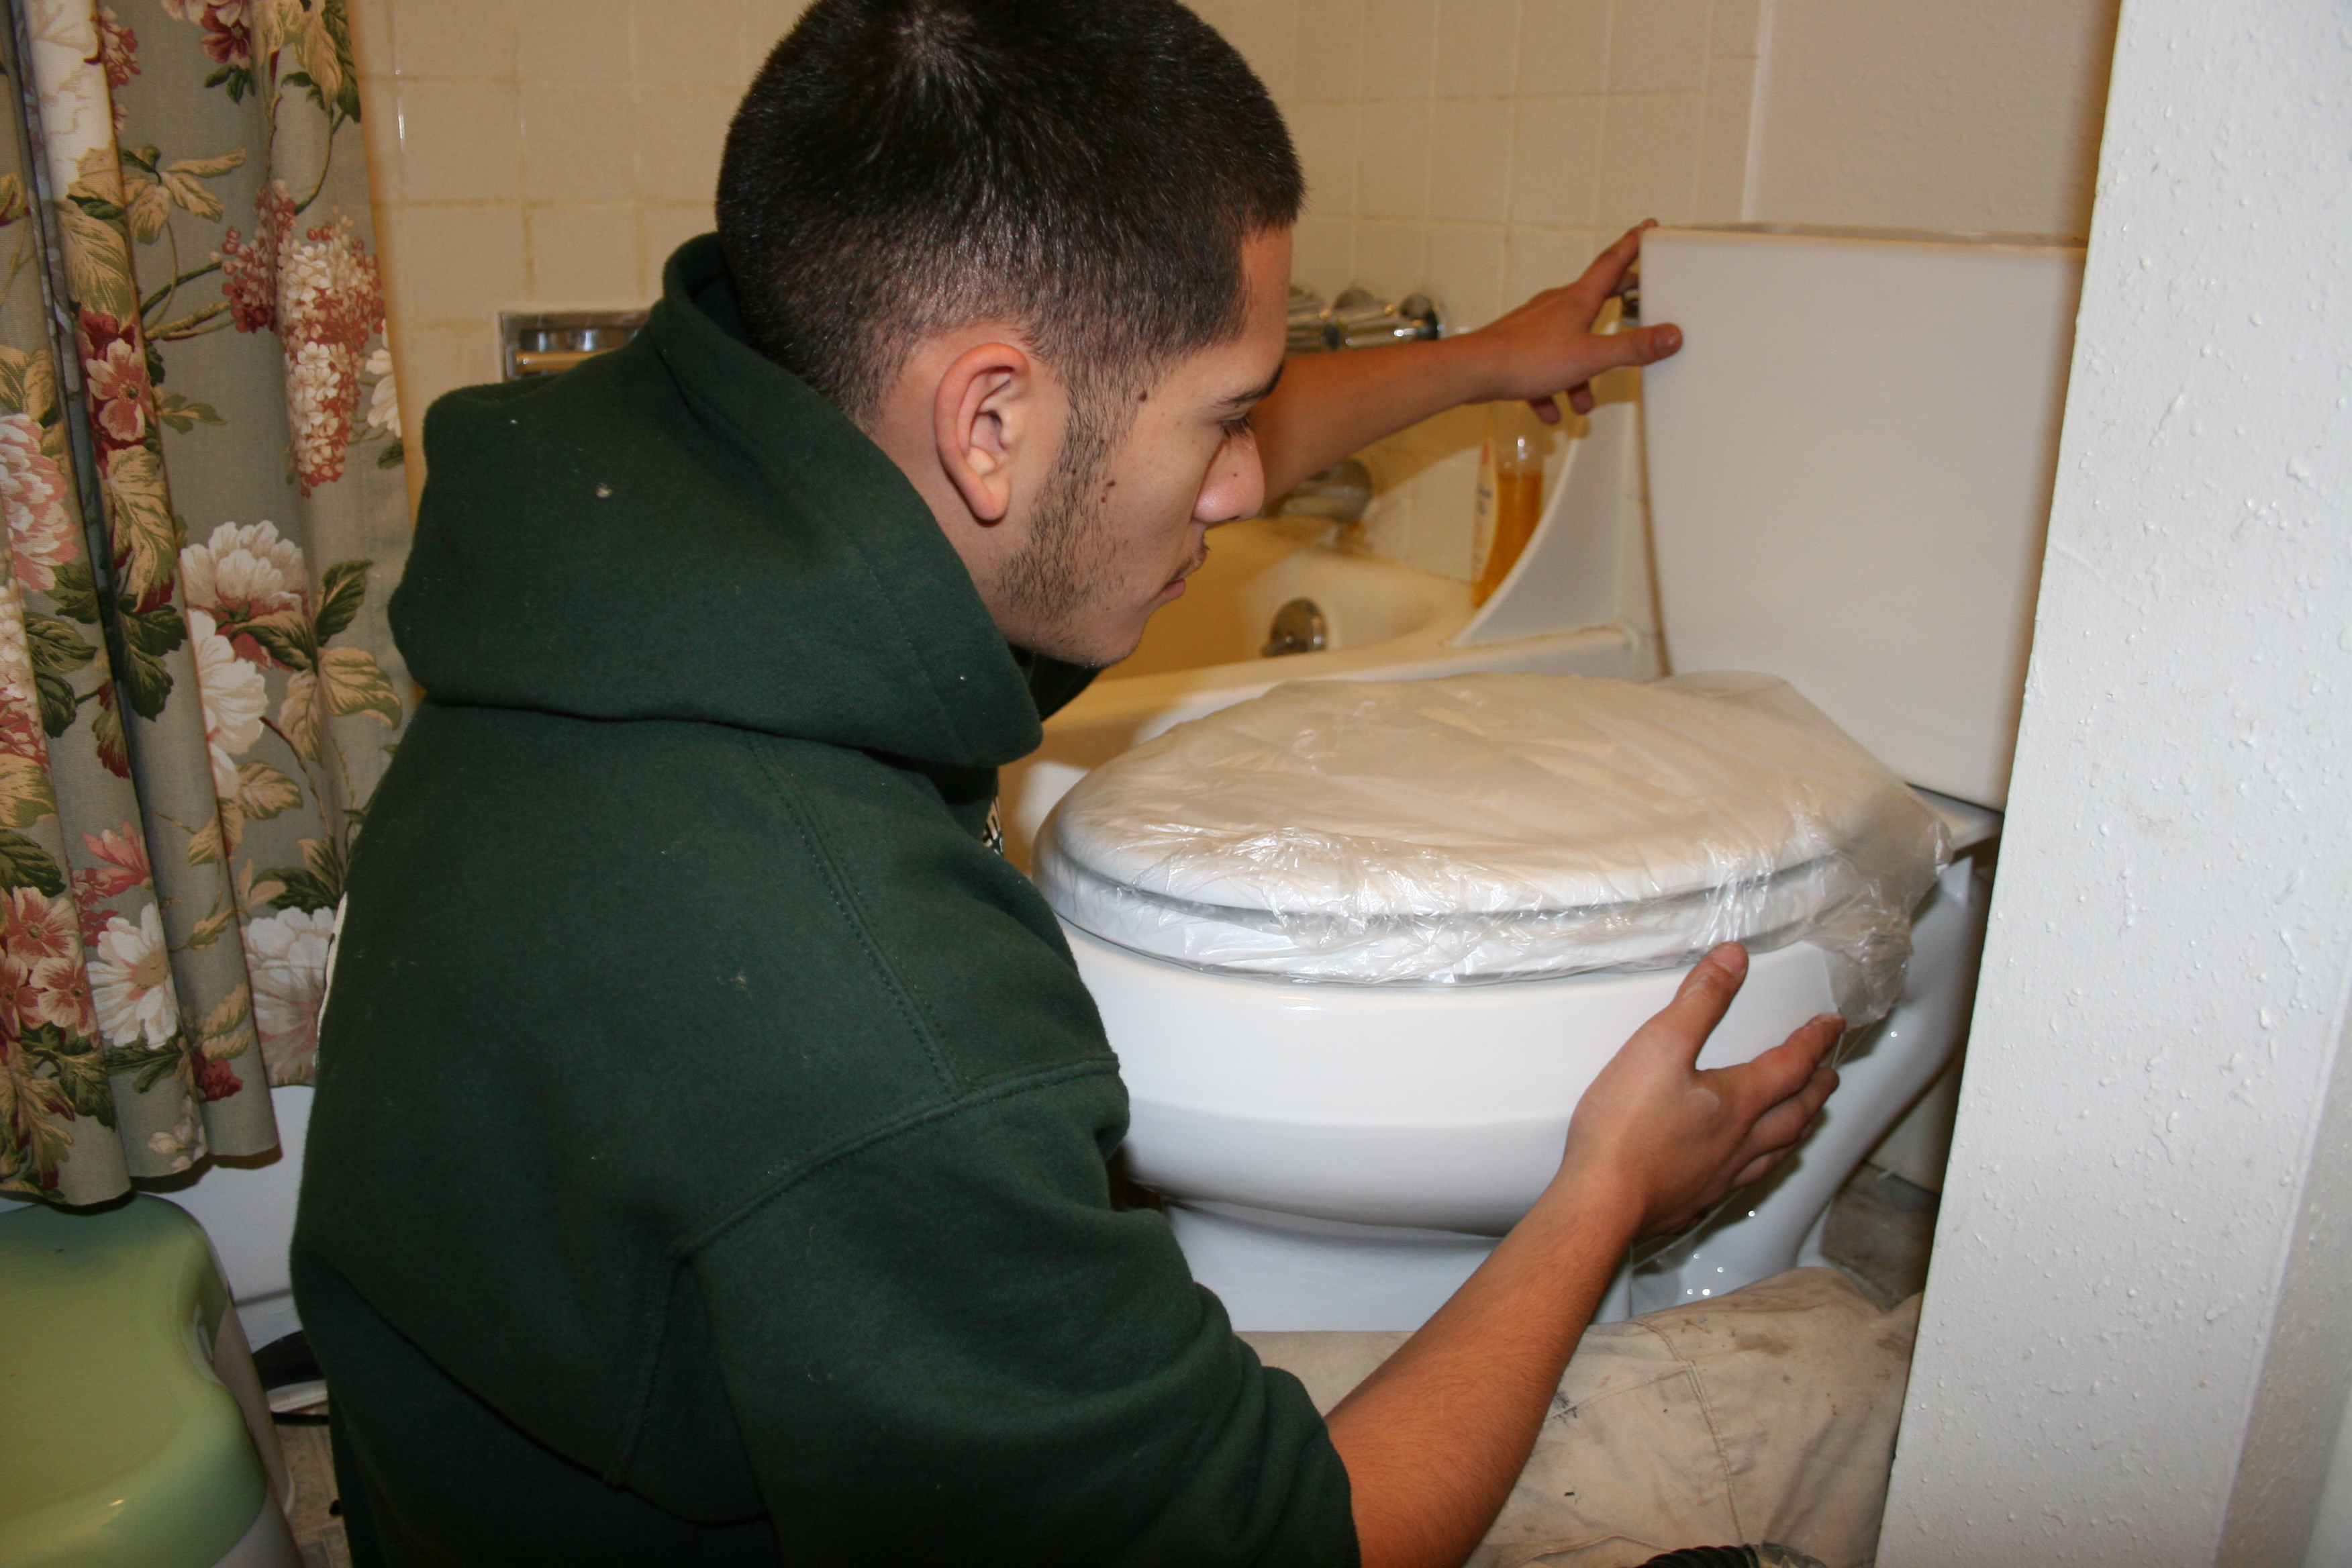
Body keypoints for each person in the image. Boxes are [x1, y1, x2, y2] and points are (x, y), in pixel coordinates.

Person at [292, 3, 1908, 1565]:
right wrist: (1603, 1191)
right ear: (991, 422)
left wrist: (1486, 363)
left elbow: (1227, 449)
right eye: (1217, 414)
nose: (1238, 483)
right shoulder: (867, 1003)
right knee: (1849, 1390)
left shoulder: (642, 555)